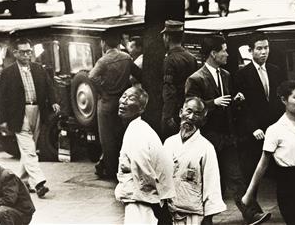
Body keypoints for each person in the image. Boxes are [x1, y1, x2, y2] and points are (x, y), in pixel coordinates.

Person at [185, 35, 271, 225]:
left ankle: (252, 214)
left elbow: (229, 105)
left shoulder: (226, 75)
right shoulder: (196, 79)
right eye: (223, 50)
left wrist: (236, 100)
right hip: (206, 138)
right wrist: (211, 103)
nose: (227, 53)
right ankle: (203, 220)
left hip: (226, 137)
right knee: (205, 181)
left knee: (236, 177)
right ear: (213, 53)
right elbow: (190, 109)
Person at [0, 38, 60, 198]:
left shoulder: (38, 68)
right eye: (23, 52)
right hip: (18, 114)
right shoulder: (8, 73)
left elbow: (48, 86)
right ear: (16, 53)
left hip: (37, 110)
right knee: (29, 150)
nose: (27, 54)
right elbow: (1, 98)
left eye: (29, 51)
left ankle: (22, 183)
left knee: (28, 150)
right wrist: (3, 120)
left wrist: (53, 102)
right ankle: (39, 183)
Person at [242, 80, 295, 225]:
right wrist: (249, 194)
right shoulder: (274, 130)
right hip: (288, 186)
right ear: (284, 100)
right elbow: (263, 164)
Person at [234, 32, 284, 199]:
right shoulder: (242, 74)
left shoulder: (275, 71)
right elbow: (242, 107)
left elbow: (280, 101)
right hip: (254, 132)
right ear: (251, 51)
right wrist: (253, 127)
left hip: (274, 130)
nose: (264, 52)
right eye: (259, 48)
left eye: (266, 48)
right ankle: (252, 208)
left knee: (281, 170)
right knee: (252, 171)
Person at [115, 86, 175, 225]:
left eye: (131, 98)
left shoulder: (137, 132)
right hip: (143, 200)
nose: (124, 101)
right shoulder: (136, 127)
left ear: (141, 109)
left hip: (143, 204)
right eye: (124, 96)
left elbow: (143, 171)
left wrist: (154, 204)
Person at [164, 97, 226, 225]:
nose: (191, 117)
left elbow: (212, 184)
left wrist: (208, 218)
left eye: (197, 114)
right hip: (169, 211)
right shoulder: (169, 143)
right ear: (181, 112)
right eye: (189, 111)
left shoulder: (206, 147)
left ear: (204, 120)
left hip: (194, 214)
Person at [89, 30, 136, 179]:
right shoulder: (127, 58)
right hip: (123, 101)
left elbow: (91, 76)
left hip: (107, 102)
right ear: (119, 43)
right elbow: (139, 74)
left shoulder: (104, 60)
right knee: (121, 135)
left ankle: (110, 171)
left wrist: (102, 90)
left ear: (103, 43)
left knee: (107, 138)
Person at [161, 20, 198, 141]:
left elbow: (169, 89)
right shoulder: (191, 57)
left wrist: (167, 115)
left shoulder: (170, 60)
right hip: (188, 109)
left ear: (167, 37)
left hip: (175, 111)